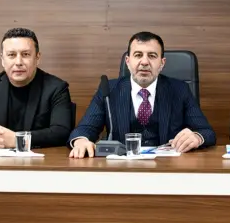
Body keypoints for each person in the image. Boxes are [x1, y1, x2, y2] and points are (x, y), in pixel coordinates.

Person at [69, 31, 215, 158]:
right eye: (138, 55)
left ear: (162, 63)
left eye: (152, 56)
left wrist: (197, 137)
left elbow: (206, 132)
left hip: (167, 166)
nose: (144, 62)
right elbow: (84, 129)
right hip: (121, 167)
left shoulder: (179, 89)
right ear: (128, 61)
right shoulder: (109, 89)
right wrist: (81, 141)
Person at [0, 28, 72, 148]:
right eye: (11, 55)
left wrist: (18, 140)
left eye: (25, 54)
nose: (18, 62)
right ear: (2, 59)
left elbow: (61, 132)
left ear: (37, 58)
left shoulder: (56, 88)